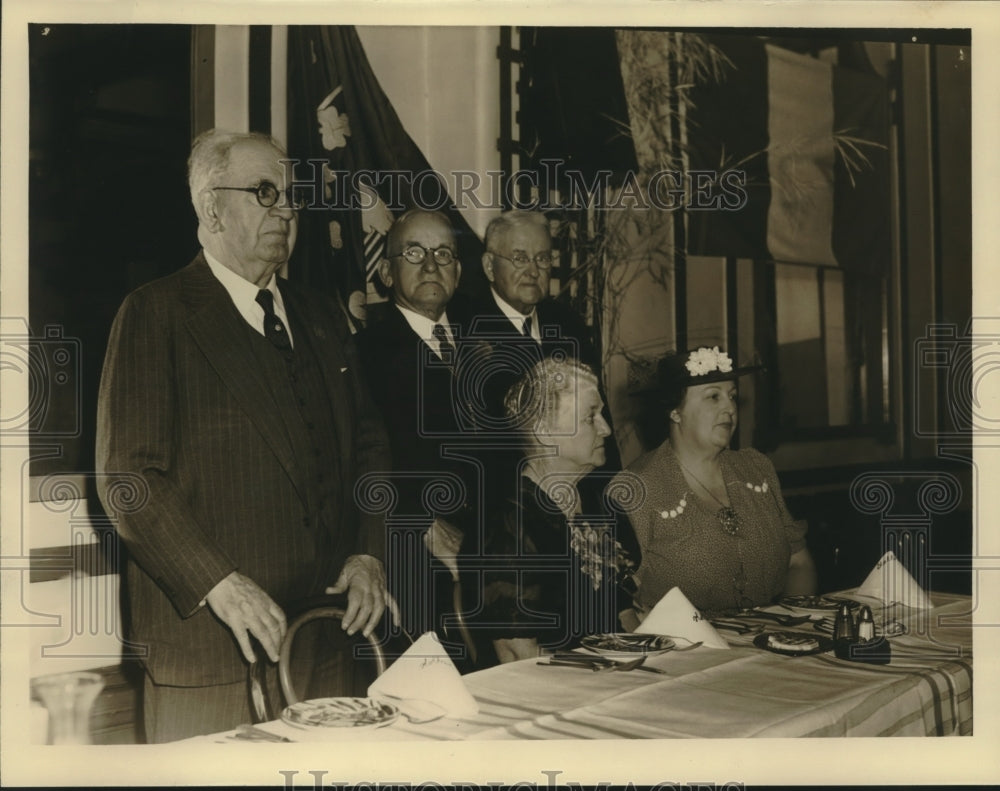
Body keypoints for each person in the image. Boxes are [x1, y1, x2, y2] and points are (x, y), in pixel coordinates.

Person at [96, 129, 395, 742]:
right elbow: (129, 480)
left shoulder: (319, 315)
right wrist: (218, 584)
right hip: (214, 653)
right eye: (265, 192)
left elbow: (368, 445)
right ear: (210, 208)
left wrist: (368, 552)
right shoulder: (157, 313)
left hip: (326, 642)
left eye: (290, 194)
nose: (286, 209)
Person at [358, 209, 487, 656]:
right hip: (411, 562)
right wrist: (421, 521)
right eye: (413, 252)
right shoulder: (362, 355)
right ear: (386, 273)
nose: (431, 265)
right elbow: (356, 460)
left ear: (458, 271)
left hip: (494, 561)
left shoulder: (487, 343)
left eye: (443, 253)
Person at [611, 347, 817, 617]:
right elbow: (621, 603)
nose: (730, 408)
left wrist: (790, 625)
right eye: (713, 397)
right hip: (685, 651)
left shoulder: (756, 468)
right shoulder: (635, 488)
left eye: (731, 396)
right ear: (675, 411)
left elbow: (798, 562)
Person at [480, 358, 641, 663]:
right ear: (545, 432)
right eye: (590, 417)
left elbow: (625, 616)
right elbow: (518, 657)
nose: (606, 429)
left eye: (602, 414)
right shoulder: (512, 524)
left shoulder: (594, 505)